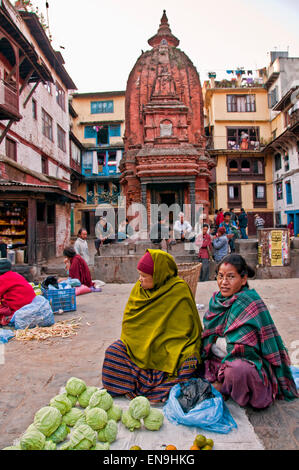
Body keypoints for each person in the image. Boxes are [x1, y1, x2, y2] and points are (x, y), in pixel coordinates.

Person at [102, 249, 202, 402]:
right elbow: (130, 325)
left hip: (170, 352)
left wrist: (165, 346)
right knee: (113, 353)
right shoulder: (139, 290)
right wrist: (144, 344)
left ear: (159, 275)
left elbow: (188, 330)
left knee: (191, 361)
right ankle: (159, 390)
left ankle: (161, 387)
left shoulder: (178, 290)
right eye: (139, 275)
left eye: (144, 276)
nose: (140, 279)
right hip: (138, 351)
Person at [201, 254, 298, 408]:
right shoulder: (217, 300)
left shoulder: (249, 301)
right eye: (220, 276)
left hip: (250, 363)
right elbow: (208, 336)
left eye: (231, 277)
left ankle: (238, 388)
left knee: (237, 371)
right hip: (220, 360)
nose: (224, 282)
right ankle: (224, 384)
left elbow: (244, 350)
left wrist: (220, 377)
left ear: (243, 279)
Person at [0, 258, 36, 326]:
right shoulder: (15, 275)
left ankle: (8, 319)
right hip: (29, 307)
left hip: (18, 309)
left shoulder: (2, 279)